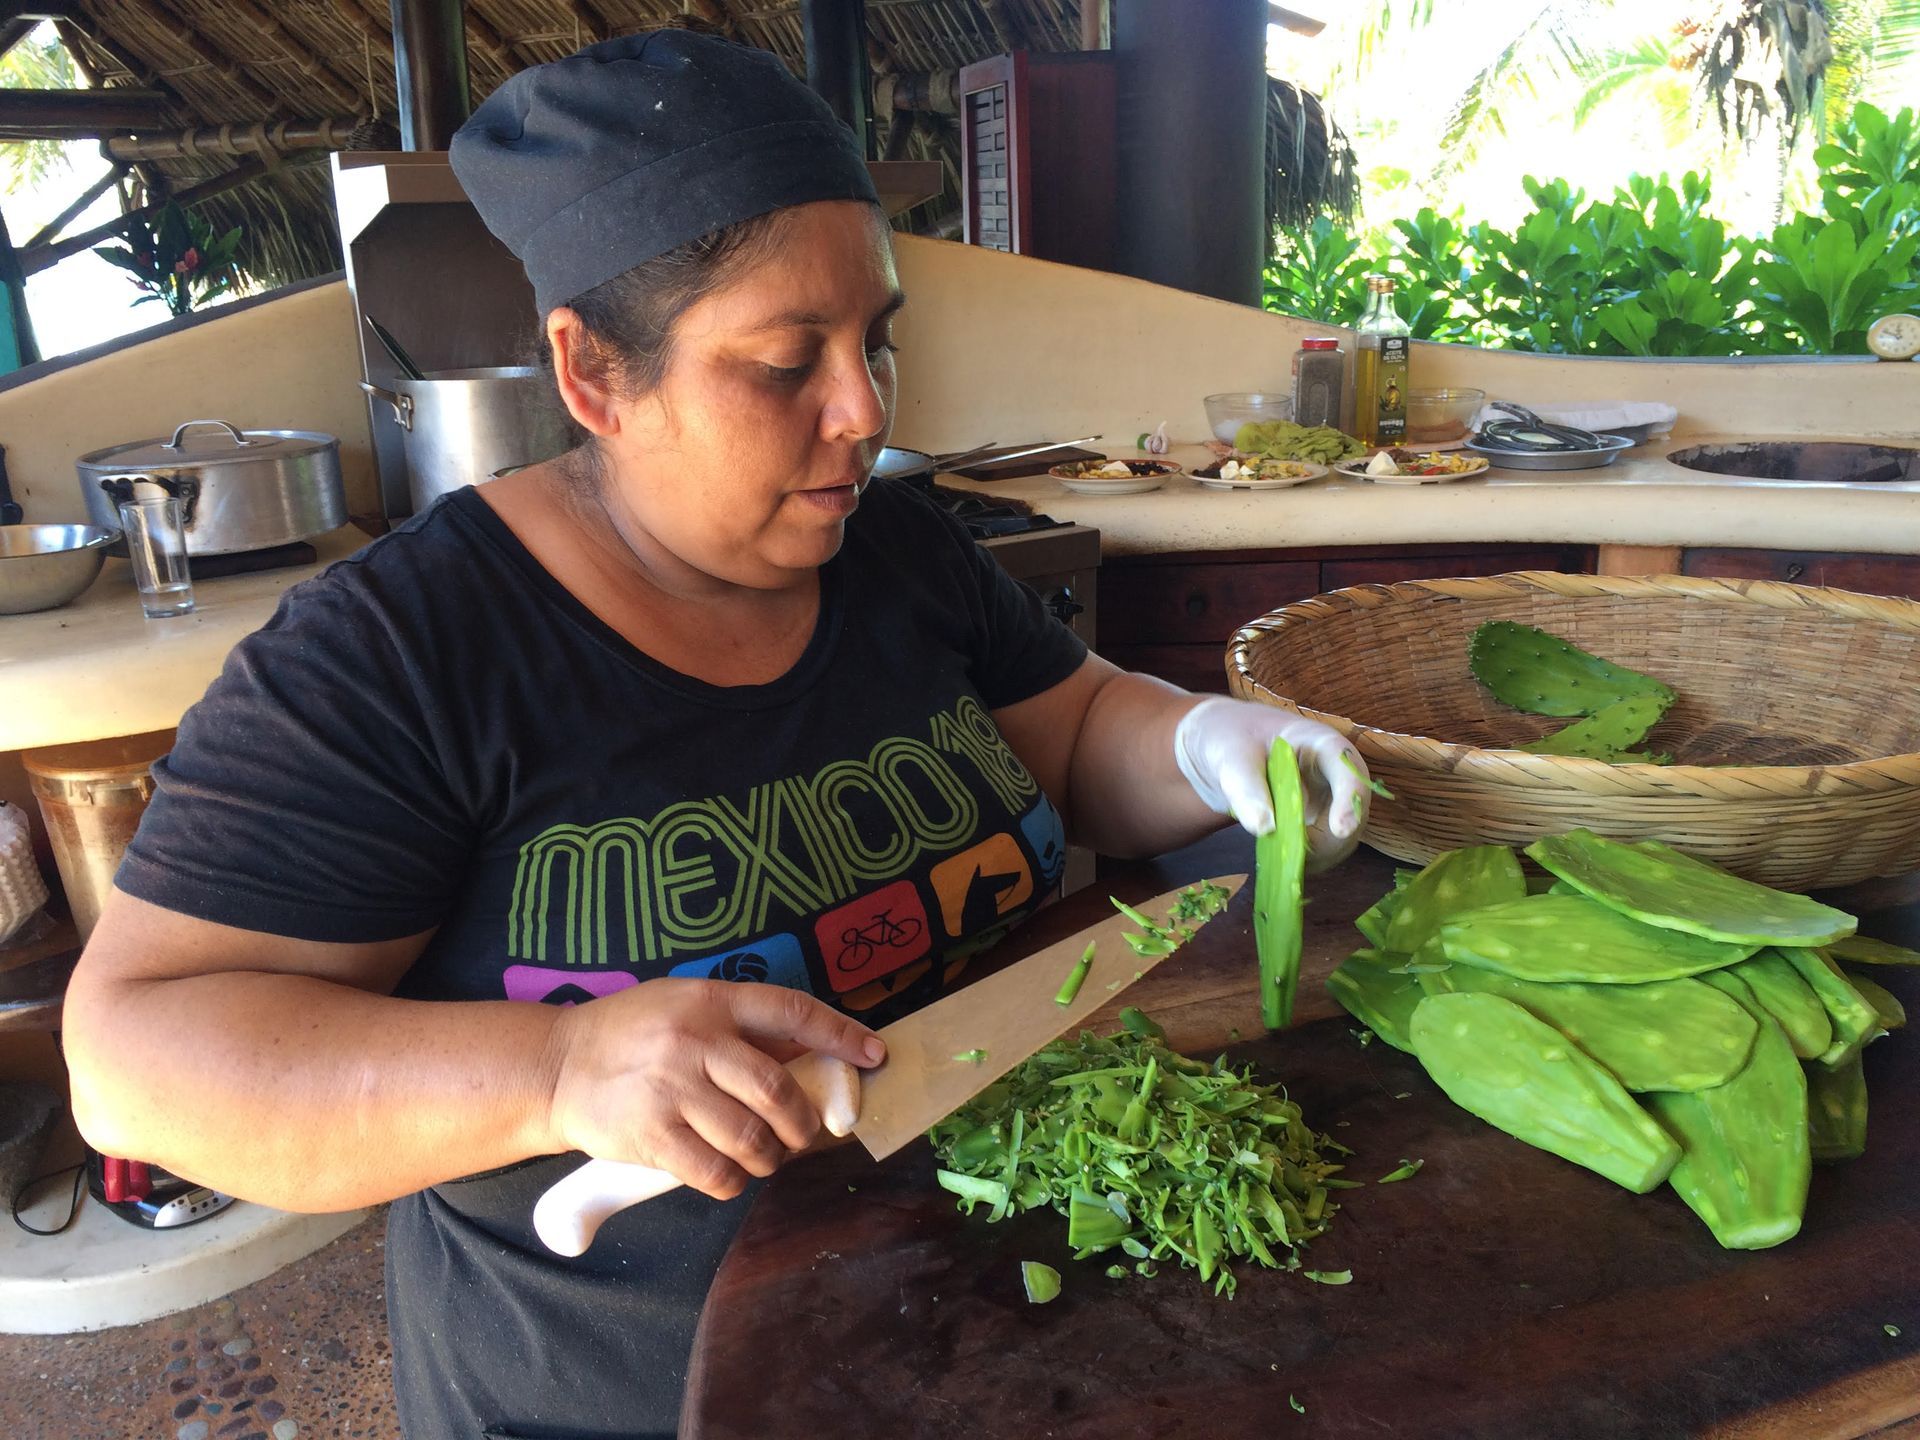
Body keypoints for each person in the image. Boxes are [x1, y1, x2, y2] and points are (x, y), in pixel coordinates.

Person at [61, 31, 1372, 1440]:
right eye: (780, 363)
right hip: (634, 1394)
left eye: (874, 338)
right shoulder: (398, 658)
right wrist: (559, 1074)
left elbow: (1075, 738)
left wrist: (1194, 742)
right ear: (593, 377)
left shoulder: (899, 553)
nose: (865, 413)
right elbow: (138, 1065)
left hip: (988, 1320)